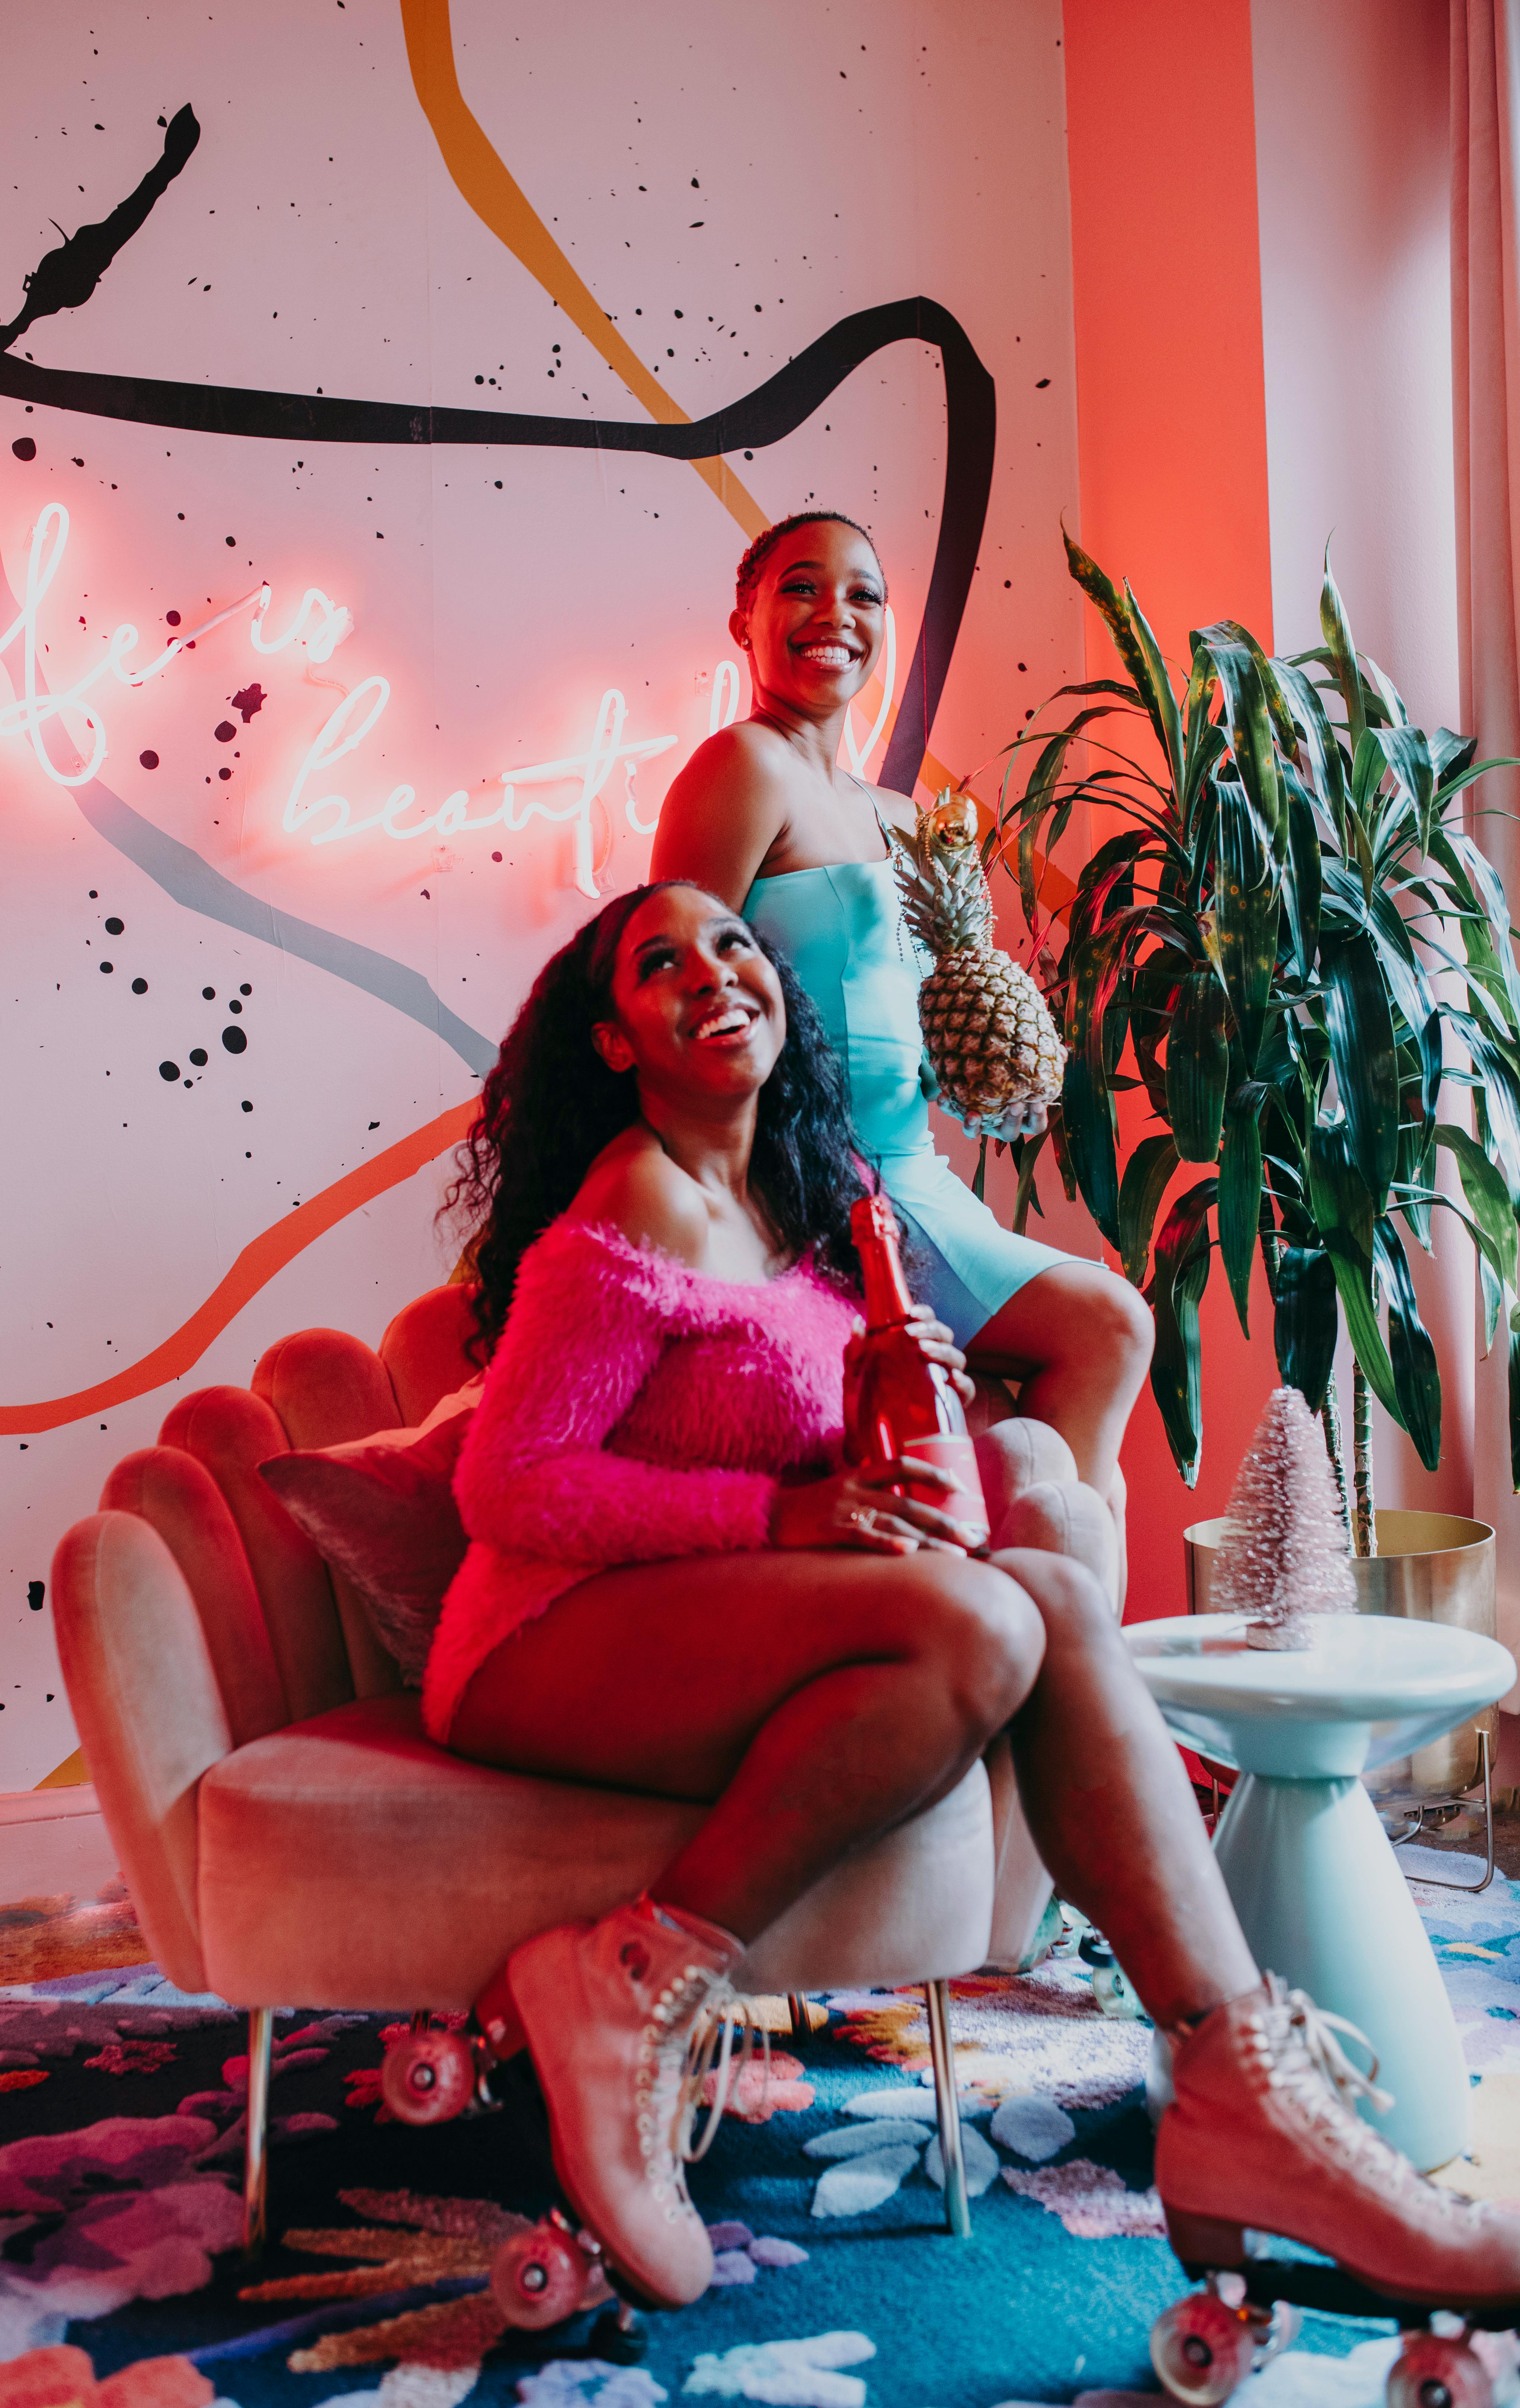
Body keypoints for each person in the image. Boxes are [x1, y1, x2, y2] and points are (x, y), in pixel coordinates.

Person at [423, 879, 1519, 2318]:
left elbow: (805, 1440)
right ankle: (626, 1985)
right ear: (616, 1040)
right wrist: (793, 1514)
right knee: (994, 1617)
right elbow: (510, 1486)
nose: (714, 971)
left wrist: (895, 1427)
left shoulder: (803, 1207)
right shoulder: (634, 1201)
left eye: (736, 942)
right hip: (544, 1639)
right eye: (660, 962)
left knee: (1046, 1596)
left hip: (700, 1631)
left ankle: (1236, 2075)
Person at [649, 511, 1152, 1574]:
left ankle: (1017, 1616)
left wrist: (983, 1048)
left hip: (919, 1173)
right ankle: (1056, 1625)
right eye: (800, 586)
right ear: (744, 617)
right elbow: (671, 980)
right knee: (1107, 1325)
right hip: (829, 1186)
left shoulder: (892, 810)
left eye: (865, 593)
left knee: (1040, 1387)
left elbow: (890, 1004)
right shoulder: (742, 766)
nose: (835, 612)